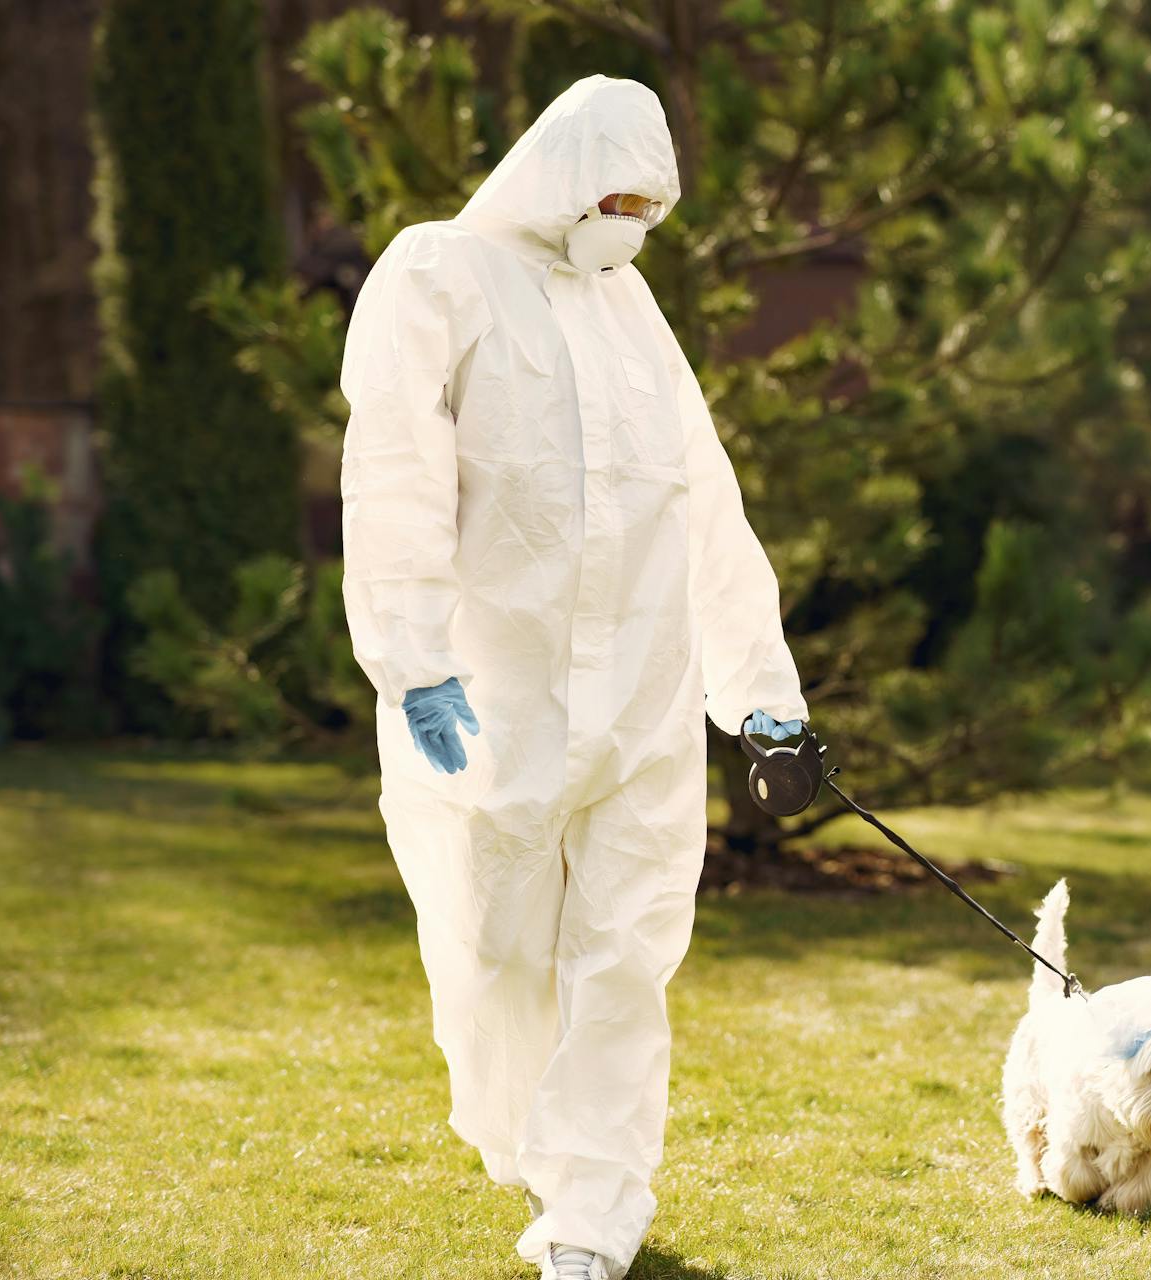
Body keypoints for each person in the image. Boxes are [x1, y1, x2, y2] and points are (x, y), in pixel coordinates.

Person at [339, 75, 807, 1280]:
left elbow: (702, 497)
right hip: (500, 696)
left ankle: (592, 1216)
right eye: (616, 196)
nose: (632, 221)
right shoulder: (438, 273)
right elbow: (392, 464)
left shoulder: (630, 307)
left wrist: (760, 688)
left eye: (652, 205)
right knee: (492, 950)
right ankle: (528, 1147)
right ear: (558, 171)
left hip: (643, 701)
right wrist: (413, 657)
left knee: (625, 952)